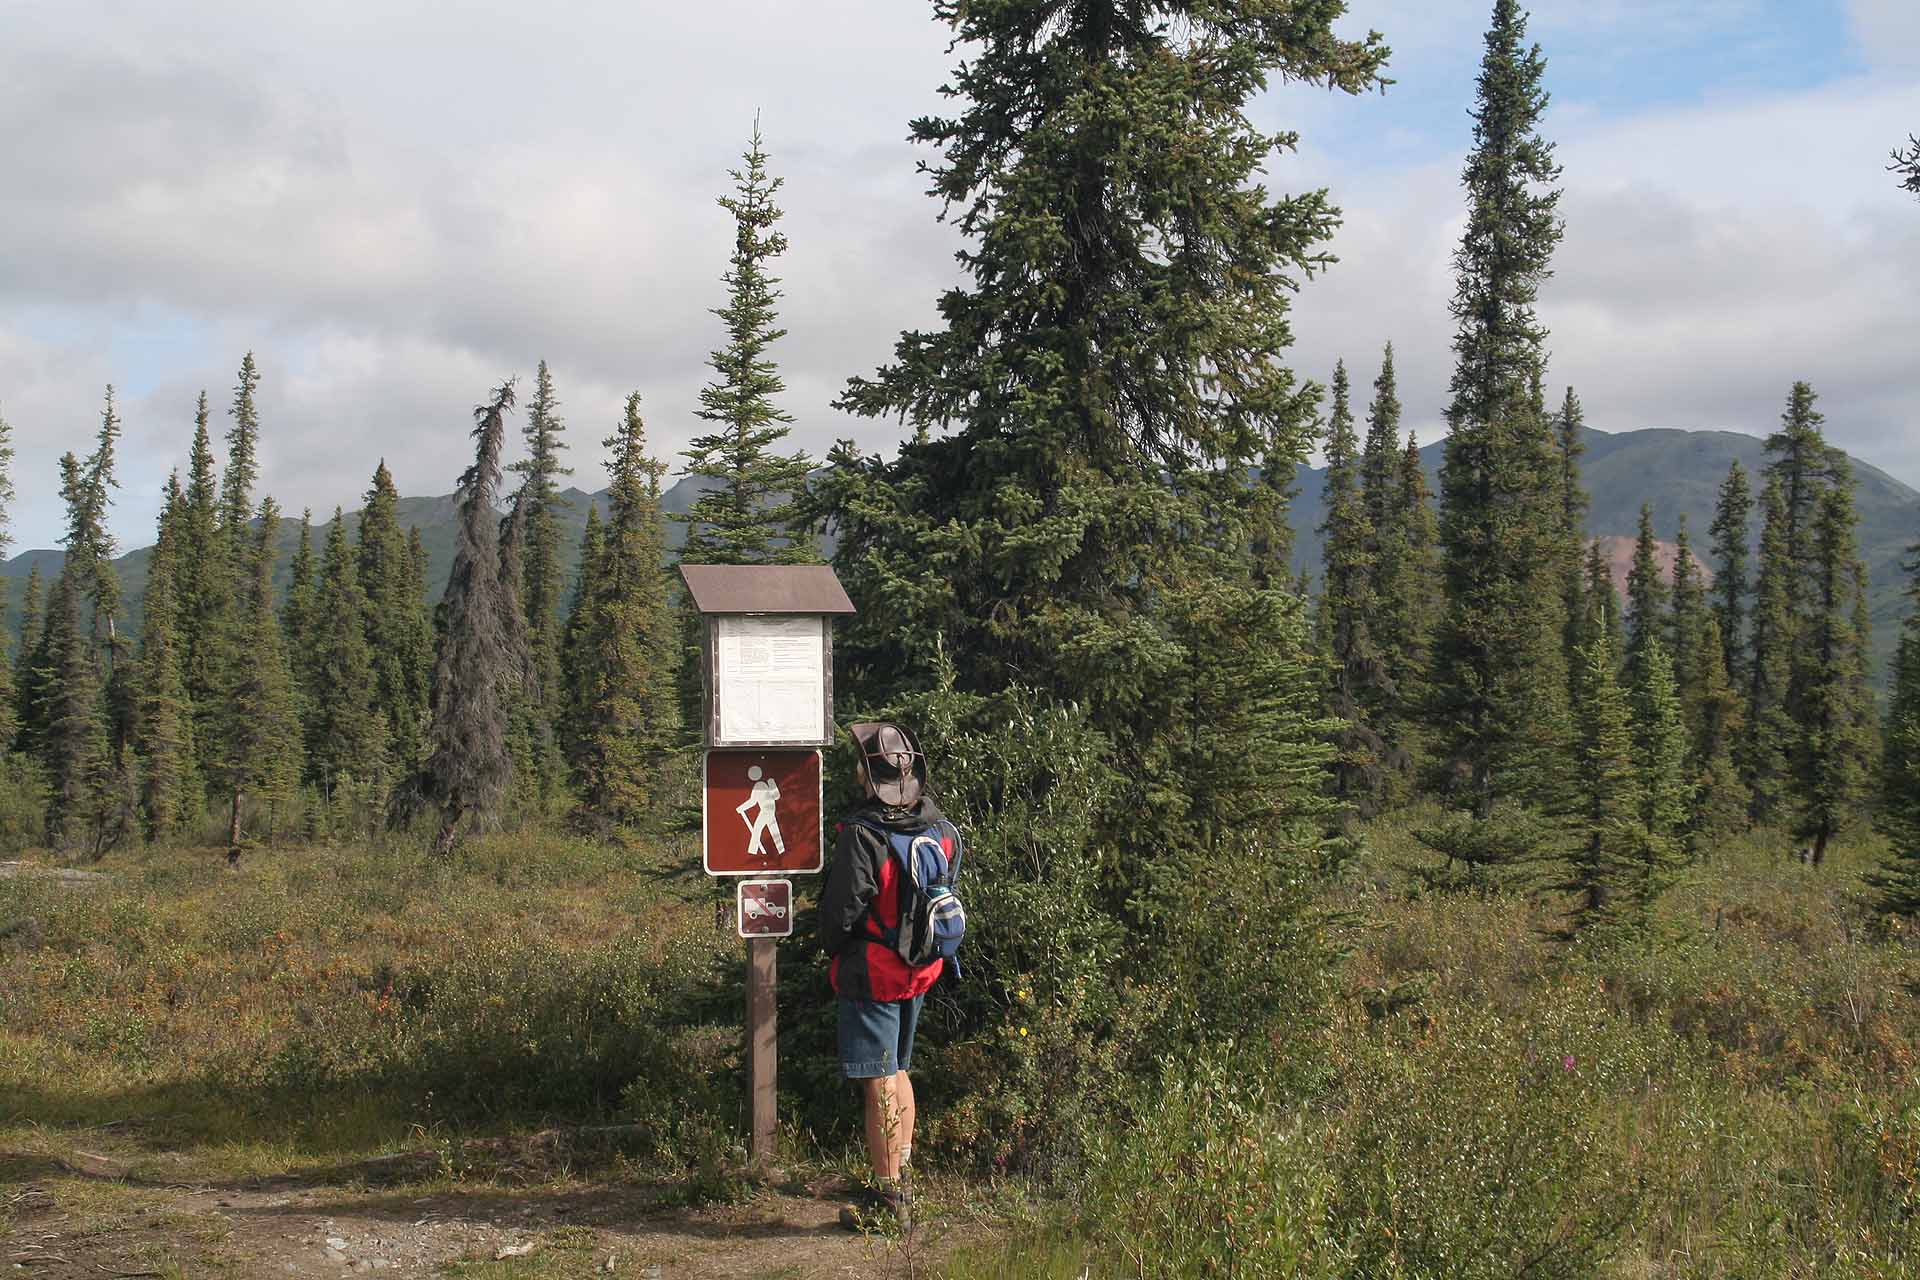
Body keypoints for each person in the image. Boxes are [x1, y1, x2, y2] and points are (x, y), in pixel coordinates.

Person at [819, 721, 956, 1232]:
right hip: (920, 966)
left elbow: (841, 911)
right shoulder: (938, 826)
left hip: (875, 972)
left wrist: (832, 948)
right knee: (898, 1067)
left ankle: (887, 1198)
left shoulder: (864, 833)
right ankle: (903, 1177)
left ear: (868, 774)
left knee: (877, 1079)